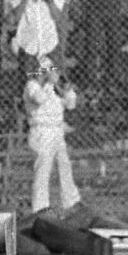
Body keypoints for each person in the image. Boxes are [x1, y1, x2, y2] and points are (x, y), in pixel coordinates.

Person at [24, 58, 80, 213]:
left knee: (65, 166)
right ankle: (40, 207)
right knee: (43, 169)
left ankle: (71, 202)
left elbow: (71, 104)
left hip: (57, 131)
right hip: (42, 132)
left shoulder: (54, 88)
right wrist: (50, 85)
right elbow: (39, 99)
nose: (55, 73)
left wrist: (67, 90)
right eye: (51, 70)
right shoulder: (32, 86)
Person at [9, 0, 61, 79]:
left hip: (49, 43)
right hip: (28, 44)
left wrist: (49, 0)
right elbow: (15, 17)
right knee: (29, 79)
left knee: (51, 81)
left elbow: (58, 16)